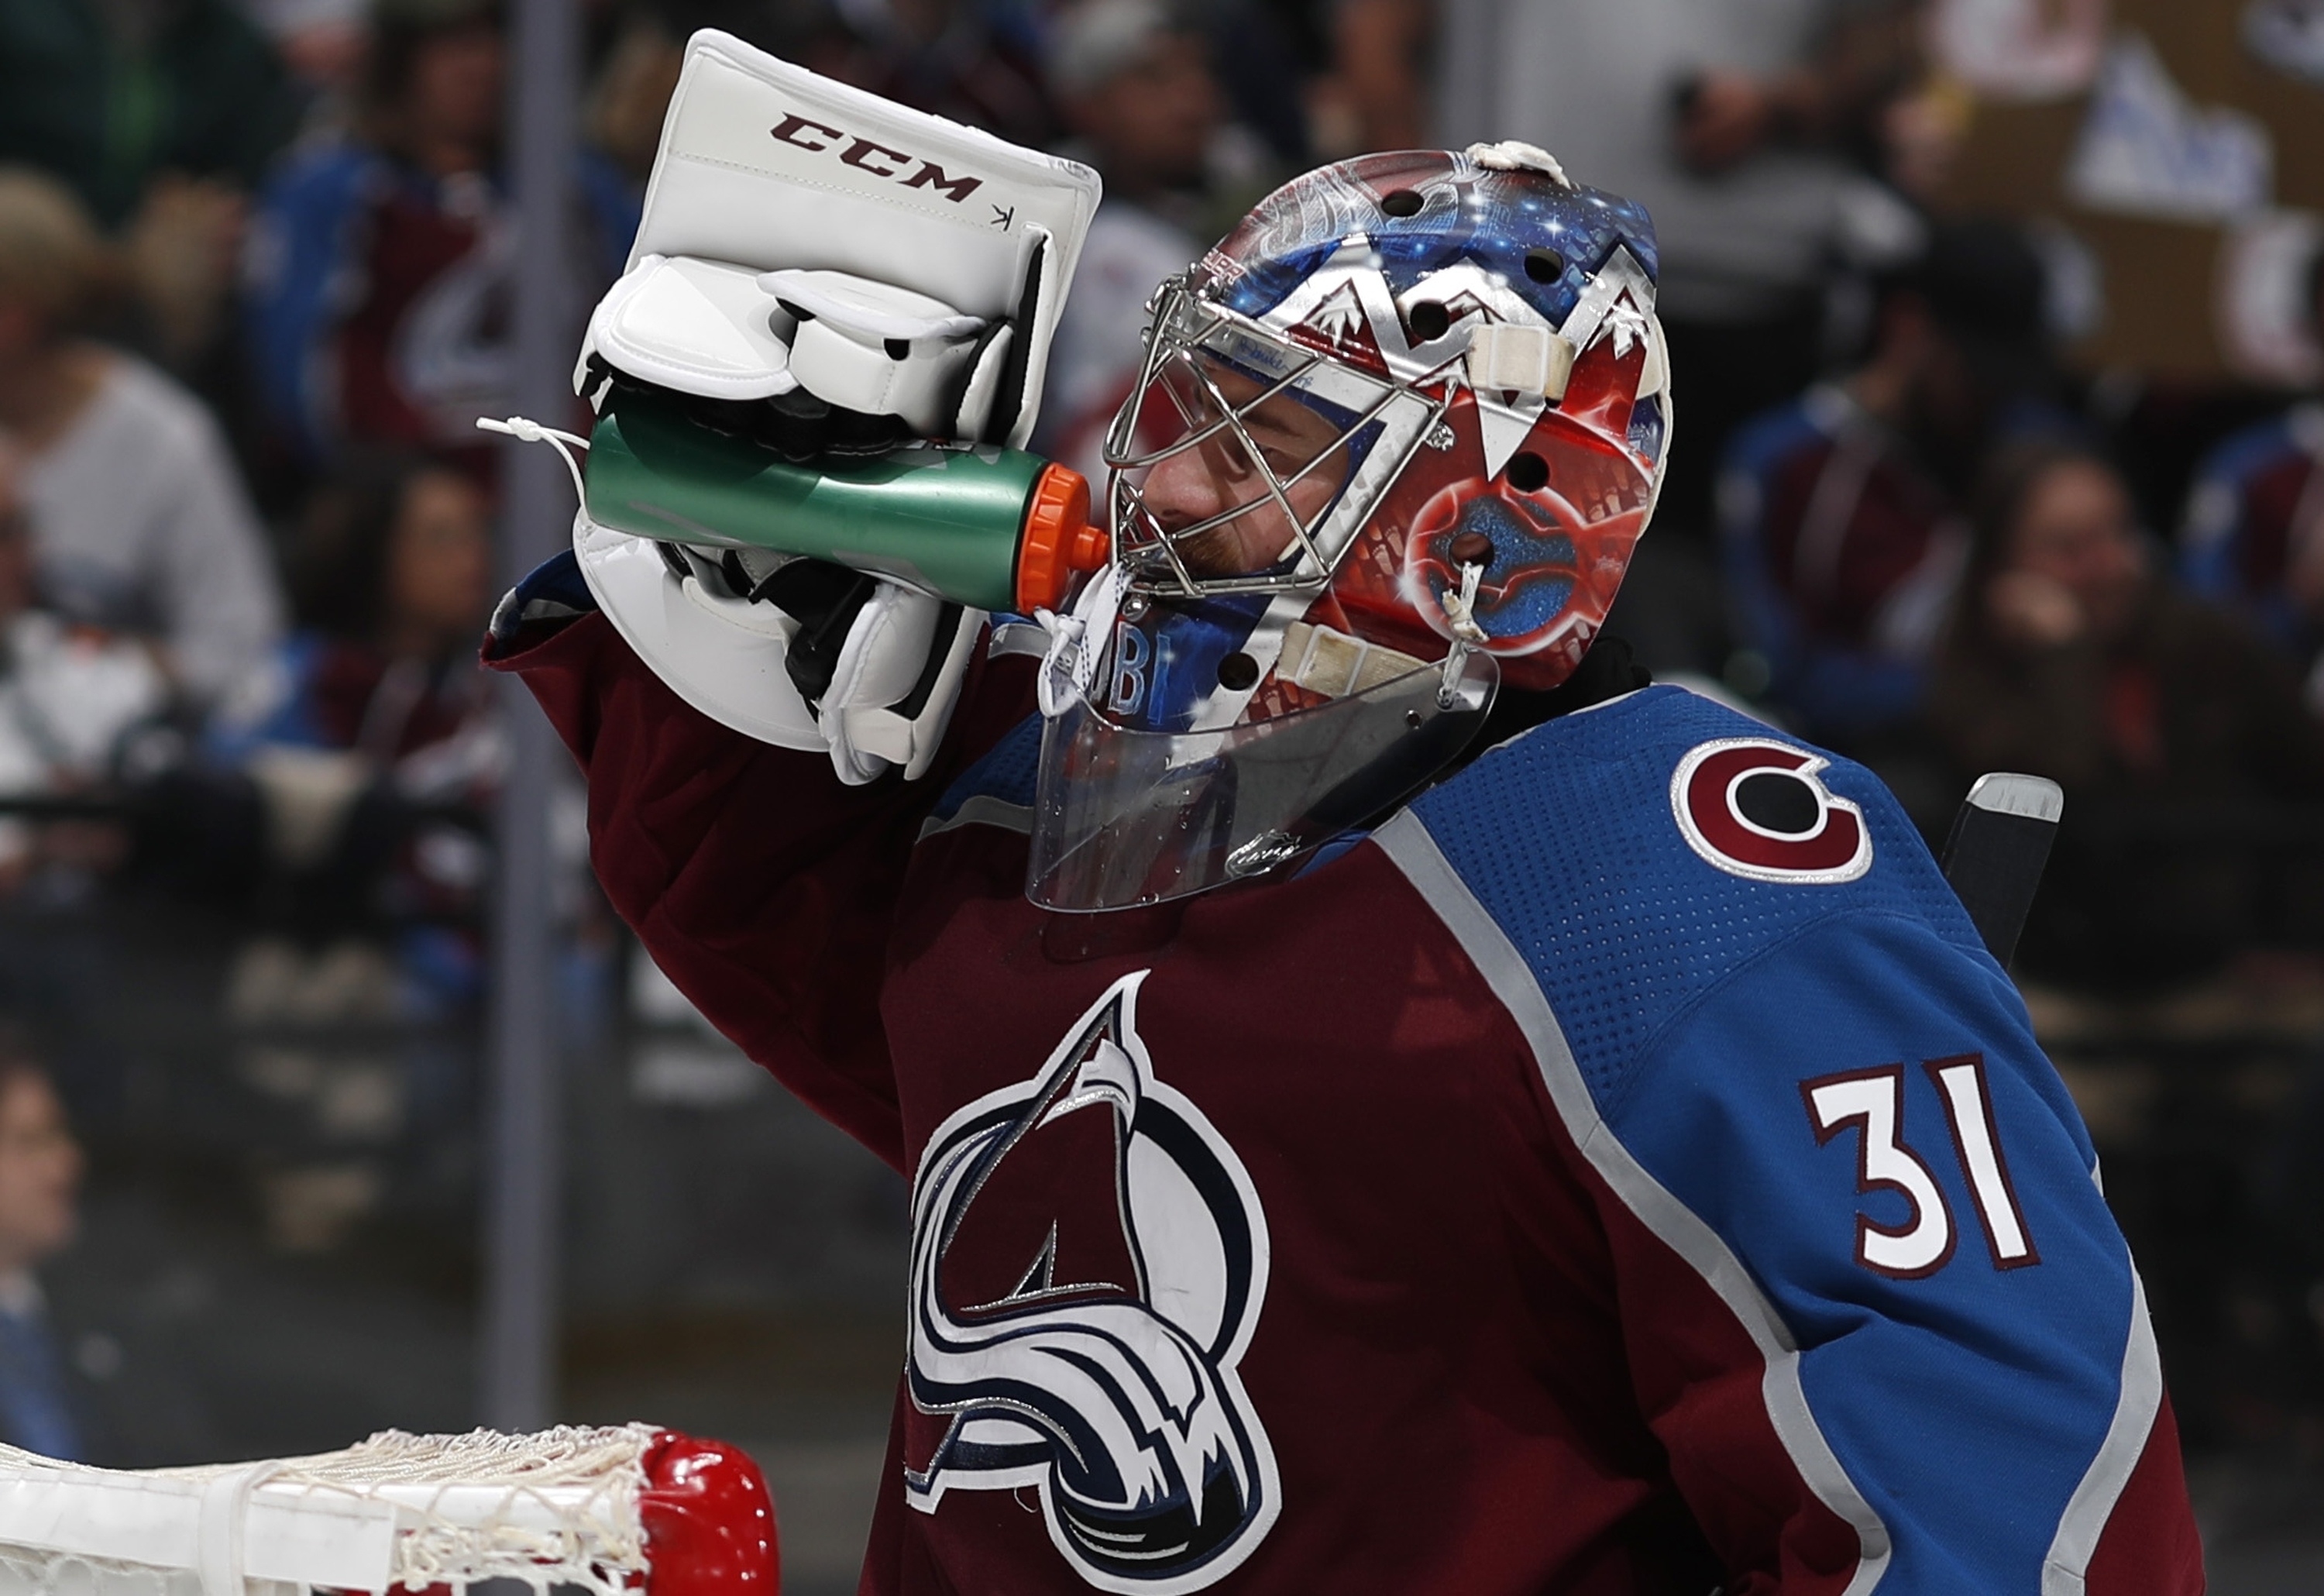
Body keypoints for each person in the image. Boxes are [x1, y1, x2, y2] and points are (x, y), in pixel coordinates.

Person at [490, 143, 2201, 1591]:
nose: (1151, 483)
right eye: (1183, 401)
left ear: (1500, 543)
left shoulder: (1682, 884)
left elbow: (2014, 1448)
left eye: (1262, 445)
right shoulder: (1083, 788)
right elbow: (819, 950)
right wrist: (695, 625)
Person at [1927, 439, 2324, 989]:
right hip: (2059, 996)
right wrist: (2064, 651)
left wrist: (2295, 938)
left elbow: (2310, 774)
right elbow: (2068, 782)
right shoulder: (1972, 687)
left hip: (2229, 988)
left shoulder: (2203, 641)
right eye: (2070, 548)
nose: (2108, 566)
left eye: (2117, 534)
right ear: (2001, 564)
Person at [242, 0, 639, 469]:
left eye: (497, 41)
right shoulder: (331, 193)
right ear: (400, 61)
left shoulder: (574, 188)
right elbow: (304, 391)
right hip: (395, 494)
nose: (483, 65)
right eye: (455, 44)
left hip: (568, 484)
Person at [1719, 219, 2064, 741]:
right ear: (1908, 327)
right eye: (1974, 369)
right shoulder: (1789, 460)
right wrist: (1955, 691)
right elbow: (1772, 660)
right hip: (1858, 747)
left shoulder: (2027, 433)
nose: (1992, 393)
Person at [0, 169, 282, 717]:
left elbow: (242, 649)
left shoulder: (164, 439)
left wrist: (102, 669)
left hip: (101, 759)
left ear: (19, 311)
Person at [1035, 0, 1265, 482]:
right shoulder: (1051, 218)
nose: (1193, 99)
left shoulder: (1260, 198)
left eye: (1199, 71)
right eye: (1155, 77)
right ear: (1089, 104)